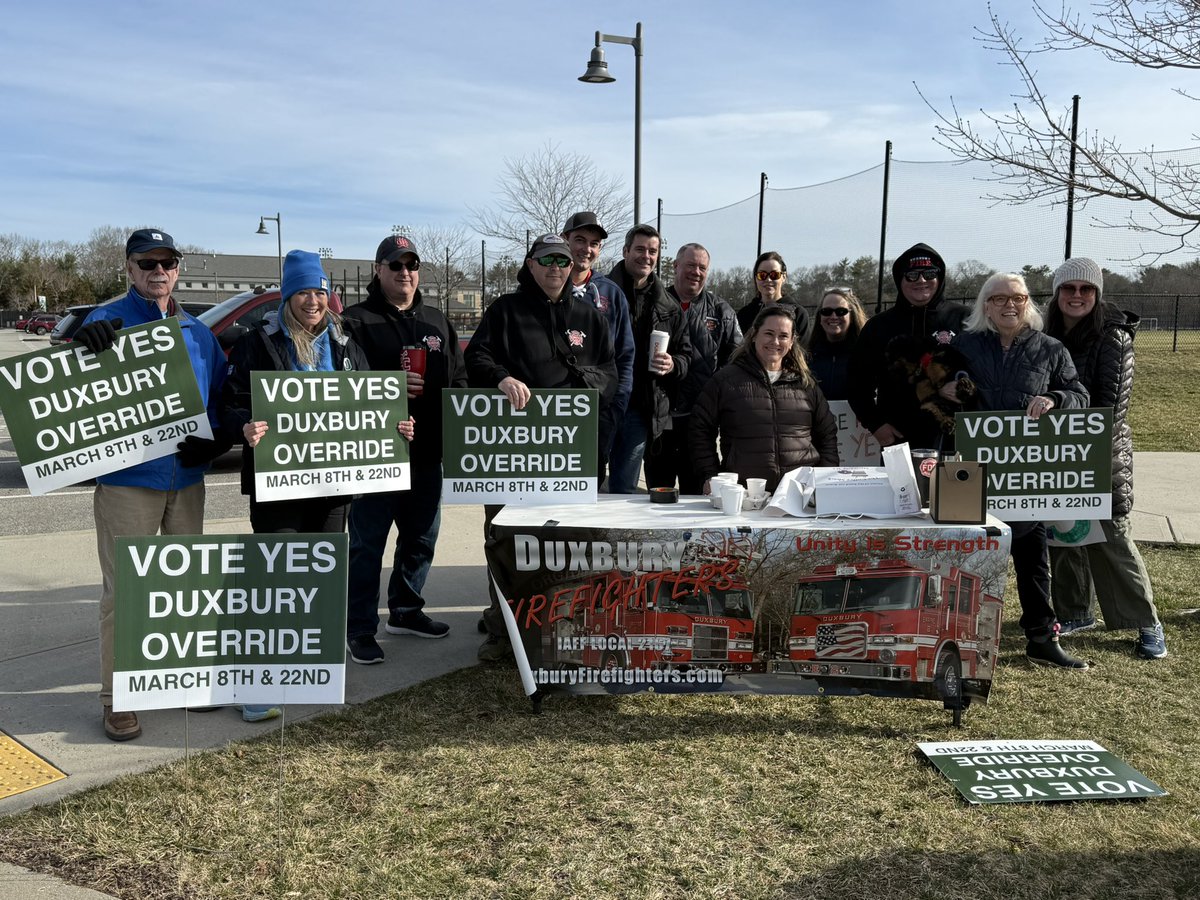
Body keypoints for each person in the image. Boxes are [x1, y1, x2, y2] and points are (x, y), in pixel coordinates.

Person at [221, 251, 408, 716]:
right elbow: (229, 401)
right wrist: (244, 424)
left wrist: (396, 428)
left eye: (320, 292)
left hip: (332, 485)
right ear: (288, 296)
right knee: (276, 580)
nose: (312, 300)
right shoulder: (260, 342)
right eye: (303, 291)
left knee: (321, 580)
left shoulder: (345, 343)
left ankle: (313, 673)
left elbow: (369, 403)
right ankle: (259, 682)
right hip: (279, 483)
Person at [72, 228, 228, 741]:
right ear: (129, 268)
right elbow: (69, 391)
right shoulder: (106, 322)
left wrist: (214, 440)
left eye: (167, 262)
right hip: (129, 481)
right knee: (125, 593)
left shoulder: (198, 332)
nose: (158, 271)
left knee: (185, 591)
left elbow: (220, 398)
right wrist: (80, 350)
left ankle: (184, 681)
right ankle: (116, 698)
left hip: (187, 482)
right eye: (147, 262)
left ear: (178, 269)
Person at [467, 234, 618, 661]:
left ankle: (560, 627)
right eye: (547, 260)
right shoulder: (505, 311)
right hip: (512, 453)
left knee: (565, 544)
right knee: (508, 540)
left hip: (569, 453)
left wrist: (577, 390)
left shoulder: (590, 316)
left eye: (563, 261)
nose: (556, 268)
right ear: (530, 264)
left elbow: (610, 373)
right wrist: (501, 378)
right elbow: (475, 358)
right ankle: (503, 631)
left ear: (573, 267)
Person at [338, 235, 467, 665]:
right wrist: (391, 385)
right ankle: (359, 627)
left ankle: (406, 611)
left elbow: (459, 379)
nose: (405, 272)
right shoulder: (355, 321)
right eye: (395, 265)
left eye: (411, 265)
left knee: (421, 538)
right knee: (367, 545)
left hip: (427, 451)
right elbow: (343, 387)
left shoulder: (436, 321)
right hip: (375, 454)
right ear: (378, 270)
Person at [952, 272, 1090, 670]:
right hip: (972, 470)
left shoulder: (1050, 349)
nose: (1009, 304)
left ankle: (1042, 639)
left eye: (1017, 297)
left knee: (1032, 558)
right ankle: (961, 637)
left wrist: (1055, 398)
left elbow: (1080, 395)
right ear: (986, 305)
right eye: (999, 298)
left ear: (1028, 302)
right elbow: (935, 387)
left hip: (1024, 471)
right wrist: (949, 387)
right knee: (968, 558)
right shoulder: (965, 346)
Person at [1043, 258, 1167, 659]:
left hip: (1102, 451)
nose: (1077, 295)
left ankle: (1146, 622)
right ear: (1057, 294)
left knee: (1112, 538)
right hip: (1057, 450)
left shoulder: (1113, 336)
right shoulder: (1046, 335)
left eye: (1086, 289)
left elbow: (1111, 407)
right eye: (1068, 288)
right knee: (1064, 534)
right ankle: (1075, 612)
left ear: (1097, 294)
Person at [691, 307, 838, 494]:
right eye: (769, 333)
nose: (775, 342)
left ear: (791, 342)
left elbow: (827, 435)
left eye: (783, 336)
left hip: (800, 493)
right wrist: (710, 474)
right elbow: (699, 429)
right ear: (754, 335)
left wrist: (824, 478)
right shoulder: (725, 381)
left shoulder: (806, 384)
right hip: (744, 494)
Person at [848, 244, 969, 451]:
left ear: (940, 277)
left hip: (955, 437)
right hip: (899, 437)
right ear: (900, 280)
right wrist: (875, 425)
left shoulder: (965, 318)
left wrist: (964, 387)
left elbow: (986, 372)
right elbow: (857, 383)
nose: (921, 280)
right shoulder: (878, 326)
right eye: (912, 275)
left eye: (929, 274)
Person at [645, 243, 742, 494]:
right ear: (676, 266)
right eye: (690, 265)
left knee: (697, 495)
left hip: (699, 422)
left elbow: (737, 361)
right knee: (658, 493)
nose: (696, 272)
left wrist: (717, 398)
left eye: (702, 267)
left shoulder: (721, 311)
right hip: (659, 419)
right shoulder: (653, 304)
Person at [606, 224, 691, 493]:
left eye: (652, 251)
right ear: (625, 251)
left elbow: (686, 354)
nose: (646, 256)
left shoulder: (668, 305)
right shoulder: (600, 293)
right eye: (640, 249)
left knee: (624, 487)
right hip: (601, 404)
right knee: (587, 481)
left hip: (640, 409)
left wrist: (673, 364)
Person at [561, 211, 635, 484]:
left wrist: (614, 408)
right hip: (550, 416)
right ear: (565, 239)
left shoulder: (611, 293)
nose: (587, 249)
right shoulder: (546, 286)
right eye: (580, 240)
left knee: (587, 492)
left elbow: (625, 356)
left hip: (596, 416)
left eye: (594, 243)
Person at [806, 286, 869, 401]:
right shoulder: (806, 357)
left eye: (841, 312)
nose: (833, 317)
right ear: (820, 318)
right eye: (826, 312)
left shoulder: (866, 355)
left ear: (852, 316)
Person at [736, 251, 811, 343]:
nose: (768, 280)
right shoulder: (745, 314)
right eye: (762, 275)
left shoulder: (798, 314)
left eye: (774, 275)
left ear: (784, 277)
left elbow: (803, 349)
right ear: (756, 278)